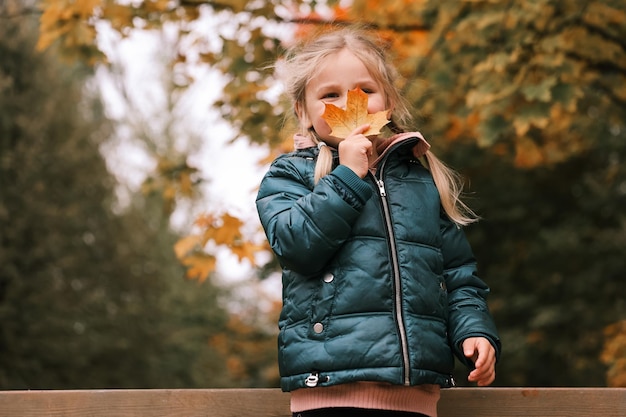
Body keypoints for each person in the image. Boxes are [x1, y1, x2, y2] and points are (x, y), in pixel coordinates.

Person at [255, 25, 501, 417]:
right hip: (331, 391)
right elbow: (297, 246)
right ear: (303, 110)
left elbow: (456, 275)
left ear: (388, 99)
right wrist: (348, 178)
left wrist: (472, 330)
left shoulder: (417, 180)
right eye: (330, 94)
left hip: (415, 395)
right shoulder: (292, 175)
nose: (350, 103)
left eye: (365, 91)